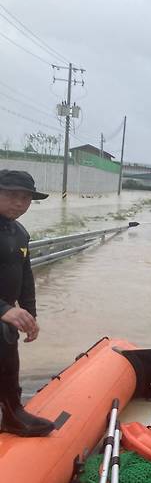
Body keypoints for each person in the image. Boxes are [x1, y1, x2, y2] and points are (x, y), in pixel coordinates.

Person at [0, 170, 55, 436]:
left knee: (9, 366)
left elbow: (25, 276)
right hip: (3, 312)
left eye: (26, 198)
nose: (20, 203)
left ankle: (12, 414)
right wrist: (4, 309)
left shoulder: (20, 232)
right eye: (12, 195)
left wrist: (29, 315)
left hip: (6, 317)